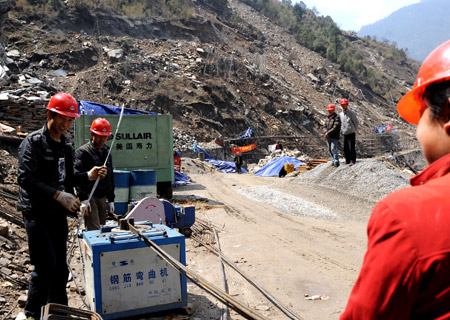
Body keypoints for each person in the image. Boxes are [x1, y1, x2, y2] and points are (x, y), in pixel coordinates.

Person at [340, 40, 450, 319]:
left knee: (348, 150)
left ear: (447, 114)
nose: (416, 131)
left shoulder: (405, 216)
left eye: (421, 115)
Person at [17, 93, 107, 320]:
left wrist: (87, 175)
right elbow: (26, 178)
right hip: (36, 212)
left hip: (57, 214)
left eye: (70, 120)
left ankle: (59, 314)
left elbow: (67, 178)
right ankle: (32, 315)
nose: (65, 124)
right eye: (62, 118)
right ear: (50, 114)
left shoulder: (65, 146)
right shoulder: (34, 143)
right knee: (45, 266)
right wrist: (58, 195)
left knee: (60, 268)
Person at [75, 118, 115, 231]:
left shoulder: (107, 152)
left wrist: (111, 199)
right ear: (92, 134)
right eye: (99, 135)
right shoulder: (83, 152)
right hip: (90, 195)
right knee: (94, 229)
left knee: (102, 227)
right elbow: (77, 176)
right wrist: (83, 199)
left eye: (105, 136)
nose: (102, 139)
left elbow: (110, 177)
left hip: (102, 195)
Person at [339, 98, 359, 165]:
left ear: (347, 105)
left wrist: (355, 129)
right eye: (342, 105)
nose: (343, 106)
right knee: (345, 148)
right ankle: (347, 160)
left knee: (351, 148)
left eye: (344, 105)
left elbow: (356, 122)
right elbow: (341, 123)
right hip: (345, 133)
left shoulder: (351, 113)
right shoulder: (341, 114)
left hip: (351, 132)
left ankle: (353, 160)